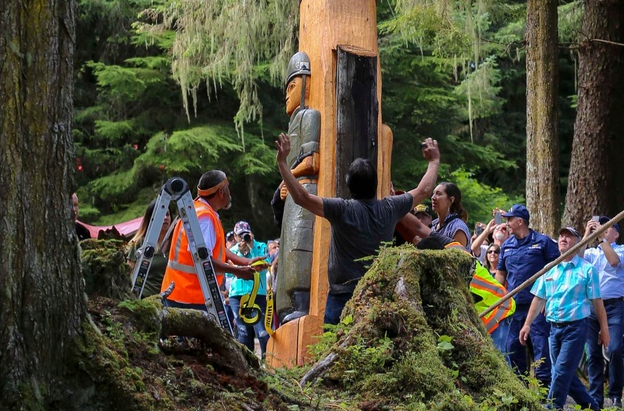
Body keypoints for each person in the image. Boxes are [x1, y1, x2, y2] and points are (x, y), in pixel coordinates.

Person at [274, 133, 440, 325]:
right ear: (376, 184)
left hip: (341, 296)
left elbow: (302, 198)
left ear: (348, 184)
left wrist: (283, 163)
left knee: (336, 349)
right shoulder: (390, 208)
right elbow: (424, 190)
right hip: (377, 293)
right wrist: (434, 161)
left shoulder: (341, 209)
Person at [519, 224, 609, 410]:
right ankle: (591, 407)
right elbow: (538, 299)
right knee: (563, 372)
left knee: (560, 371)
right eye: (561, 236)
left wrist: (604, 328)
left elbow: (597, 302)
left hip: (576, 328)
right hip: (554, 328)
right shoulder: (549, 269)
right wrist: (527, 324)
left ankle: (552, 408)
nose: (563, 239)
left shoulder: (587, 270)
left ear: (578, 242)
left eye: (568, 236)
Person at [160, 169, 257, 306]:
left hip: (180, 293)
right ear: (221, 192)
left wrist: (246, 262)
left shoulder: (197, 210)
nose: (230, 193)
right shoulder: (205, 218)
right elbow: (203, 258)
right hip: (190, 296)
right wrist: (237, 271)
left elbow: (215, 251)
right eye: (227, 188)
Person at [496, 205, 560, 386]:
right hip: (514, 307)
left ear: (520, 221)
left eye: (509, 219)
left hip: (538, 306)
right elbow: (501, 274)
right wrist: (496, 293)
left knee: (541, 348)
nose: (507, 223)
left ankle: (544, 391)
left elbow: (555, 271)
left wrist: (549, 298)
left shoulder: (543, 242)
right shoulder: (506, 245)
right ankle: (520, 388)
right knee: (513, 347)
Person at [583, 214, 624, 409]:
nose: (602, 230)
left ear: (616, 234)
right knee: (593, 353)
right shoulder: (591, 252)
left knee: (614, 349)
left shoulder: (623, 250)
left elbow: (613, 262)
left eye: (607, 227)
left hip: (613, 306)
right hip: (593, 306)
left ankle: (615, 395)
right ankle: (595, 397)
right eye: (600, 227)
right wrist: (587, 234)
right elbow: (576, 259)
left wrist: (602, 240)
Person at [226, 221, 270, 355]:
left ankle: (267, 362)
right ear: (235, 236)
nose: (243, 238)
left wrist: (252, 248)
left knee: (261, 332)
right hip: (237, 295)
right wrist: (239, 254)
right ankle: (246, 363)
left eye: (246, 235)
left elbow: (266, 263)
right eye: (240, 235)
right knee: (243, 332)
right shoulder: (232, 251)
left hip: (257, 294)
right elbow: (228, 272)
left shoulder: (260, 246)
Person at [430, 182, 471, 249]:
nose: (433, 197)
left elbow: (457, 257)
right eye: (433, 193)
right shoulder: (433, 225)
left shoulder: (458, 227)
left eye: (438, 194)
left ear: (451, 200)